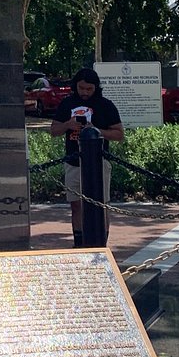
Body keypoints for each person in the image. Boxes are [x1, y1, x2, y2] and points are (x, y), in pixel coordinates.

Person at [49, 67, 125, 247]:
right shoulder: (67, 104)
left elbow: (119, 134)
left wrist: (97, 131)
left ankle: (101, 244)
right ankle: (79, 243)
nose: (84, 92)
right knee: (76, 205)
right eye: (81, 88)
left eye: (89, 89)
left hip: (99, 163)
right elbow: (53, 130)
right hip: (74, 161)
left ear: (95, 88)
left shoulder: (106, 105)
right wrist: (68, 125)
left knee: (100, 205)